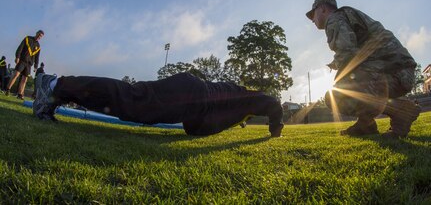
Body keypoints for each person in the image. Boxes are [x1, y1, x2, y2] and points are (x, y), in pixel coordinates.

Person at [306, 0, 420, 138]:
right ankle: (366, 125)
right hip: (400, 74)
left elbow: (347, 54)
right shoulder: (346, 16)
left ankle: (401, 110)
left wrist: (339, 80)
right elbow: (357, 51)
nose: (312, 20)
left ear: (322, 9)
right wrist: (336, 63)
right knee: (346, 86)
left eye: (313, 14)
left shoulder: (334, 19)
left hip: (394, 74)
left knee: (336, 95)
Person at [33, 72, 284, 137]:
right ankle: (54, 84)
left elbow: (194, 127)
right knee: (130, 99)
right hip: (192, 93)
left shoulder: (236, 104)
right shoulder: (247, 98)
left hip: (191, 97)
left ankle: (55, 95)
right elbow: (272, 103)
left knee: (130, 104)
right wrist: (275, 130)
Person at [5, 30, 44, 100]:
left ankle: (20, 94)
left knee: (24, 79)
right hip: (22, 60)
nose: (39, 37)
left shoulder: (38, 46)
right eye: (39, 34)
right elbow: (20, 48)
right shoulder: (27, 38)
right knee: (16, 75)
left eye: (41, 36)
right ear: (36, 33)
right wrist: (17, 57)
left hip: (29, 64)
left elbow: (37, 57)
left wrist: (35, 66)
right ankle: (8, 89)